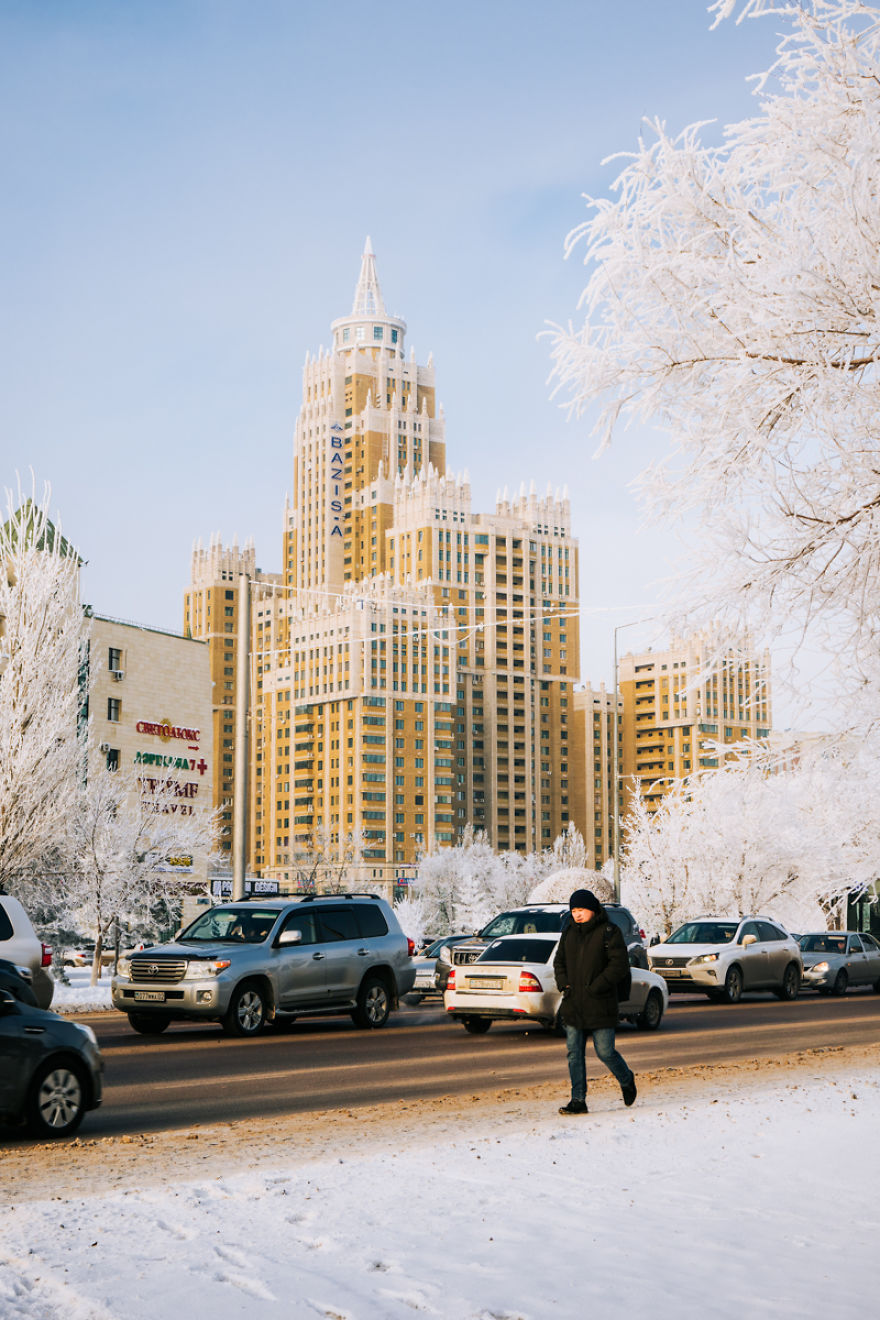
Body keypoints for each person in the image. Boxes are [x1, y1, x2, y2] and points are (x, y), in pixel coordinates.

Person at [553, 887, 637, 1115]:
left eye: (581, 910)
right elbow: (559, 962)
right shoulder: (569, 931)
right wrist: (564, 984)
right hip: (573, 1003)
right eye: (574, 910)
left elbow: (619, 965)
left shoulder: (609, 931)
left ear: (592, 909)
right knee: (574, 1053)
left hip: (600, 1002)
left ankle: (626, 1078)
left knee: (605, 1051)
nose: (577, 914)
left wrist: (597, 985)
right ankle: (578, 1100)